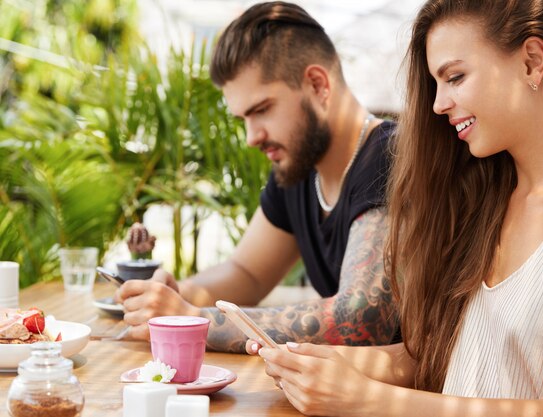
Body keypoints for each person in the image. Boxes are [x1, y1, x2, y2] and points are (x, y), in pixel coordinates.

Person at [252, 0, 543, 415]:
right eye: (436, 83)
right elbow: (429, 359)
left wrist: (366, 400)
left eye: (455, 77)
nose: (437, 104)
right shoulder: (488, 197)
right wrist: (309, 361)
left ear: (532, 62)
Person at [116, 1, 399, 353]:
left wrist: (192, 320)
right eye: (243, 119)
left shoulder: (391, 158)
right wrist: (175, 295)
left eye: (262, 110)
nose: (252, 137)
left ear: (317, 84)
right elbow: (246, 272)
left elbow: (361, 318)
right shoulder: (298, 169)